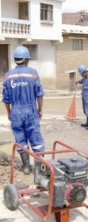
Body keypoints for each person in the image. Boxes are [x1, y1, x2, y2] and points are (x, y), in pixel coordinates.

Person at [2, 46, 45, 175]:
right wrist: (40, 110)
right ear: (26, 60)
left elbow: (5, 99)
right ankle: (40, 169)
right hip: (31, 111)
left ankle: (26, 167)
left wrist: (9, 113)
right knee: (36, 141)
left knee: (21, 141)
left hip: (16, 113)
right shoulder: (33, 73)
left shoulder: (8, 76)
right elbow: (40, 95)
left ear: (15, 60)